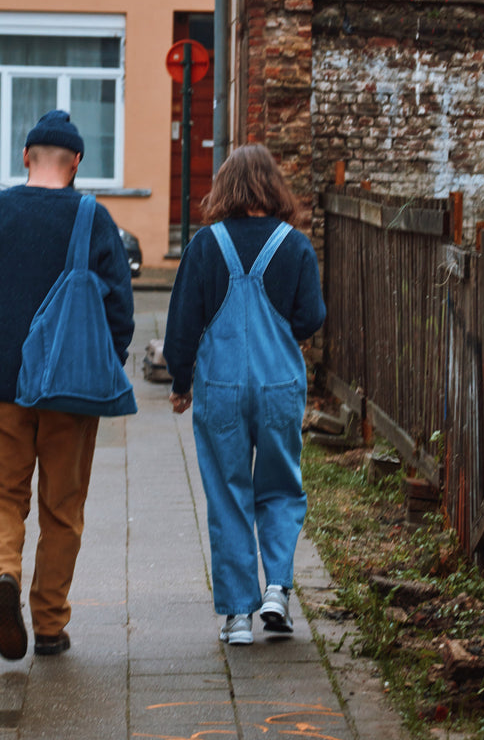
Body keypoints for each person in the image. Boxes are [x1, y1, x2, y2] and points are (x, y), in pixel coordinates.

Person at [0, 110, 134, 659]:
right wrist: (105, 363)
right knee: (62, 508)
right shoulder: (91, 217)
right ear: (76, 163)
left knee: (1, 494)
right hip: (69, 390)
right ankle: (49, 624)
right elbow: (119, 309)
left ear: (26, 157)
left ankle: (4, 573)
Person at [163, 144, 326, 645]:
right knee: (280, 485)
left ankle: (237, 617)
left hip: (221, 388)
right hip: (279, 386)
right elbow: (312, 317)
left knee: (229, 493)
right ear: (273, 187)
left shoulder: (205, 245)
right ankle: (277, 588)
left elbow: (182, 324)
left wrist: (180, 381)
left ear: (226, 188)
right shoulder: (295, 246)